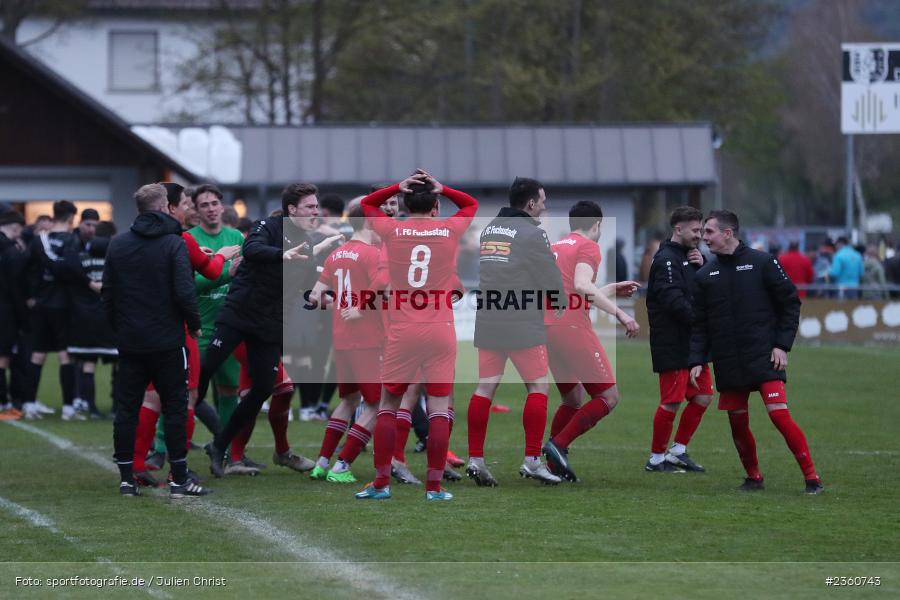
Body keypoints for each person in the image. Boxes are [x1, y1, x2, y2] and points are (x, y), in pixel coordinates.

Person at [354, 169, 477, 501]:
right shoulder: (449, 229)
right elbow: (470, 205)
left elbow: (368, 204)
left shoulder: (393, 230)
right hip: (440, 329)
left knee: (388, 406)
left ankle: (381, 484)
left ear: (405, 202)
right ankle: (434, 488)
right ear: (436, 204)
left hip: (402, 329)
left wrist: (396, 186)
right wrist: (445, 187)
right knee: (438, 408)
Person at [202, 183, 340, 478]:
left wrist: (324, 297)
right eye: (310, 207)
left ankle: (221, 446)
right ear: (292, 209)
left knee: (265, 388)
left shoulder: (305, 241)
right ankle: (173, 445)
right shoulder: (268, 225)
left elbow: (307, 285)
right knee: (203, 373)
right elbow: (251, 250)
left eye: (316, 207)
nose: (316, 212)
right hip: (239, 313)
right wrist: (283, 254)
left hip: (270, 324)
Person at [688, 210, 822, 495]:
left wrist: (781, 345)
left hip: (764, 356)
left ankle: (812, 478)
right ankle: (753, 477)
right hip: (728, 360)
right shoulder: (705, 275)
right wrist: (697, 358)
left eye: (709, 232)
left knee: (779, 415)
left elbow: (790, 304)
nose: (704, 238)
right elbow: (700, 325)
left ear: (727, 233)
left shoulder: (763, 262)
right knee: (737, 423)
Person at [103, 183, 208, 498]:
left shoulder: (118, 244)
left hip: (131, 341)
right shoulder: (173, 243)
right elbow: (184, 290)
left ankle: (126, 479)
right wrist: (194, 323)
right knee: (176, 408)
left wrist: (118, 328)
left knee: (127, 409)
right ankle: (178, 478)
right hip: (168, 341)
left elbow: (108, 294)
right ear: (165, 207)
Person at [466, 176, 565, 487]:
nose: (544, 206)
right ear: (531, 203)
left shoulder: (490, 228)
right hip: (522, 320)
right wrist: (559, 298)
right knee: (538, 389)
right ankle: (532, 461)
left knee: (485, 388)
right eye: (543, 201)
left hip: (489, 317)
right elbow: (548, 272)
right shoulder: (532, 233)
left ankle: (476, 458)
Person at [540, 201, 640, 482]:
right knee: (609, 396)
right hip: (571, 327)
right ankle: (558, 446)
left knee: (572, 398)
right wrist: (621, 314)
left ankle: (551, 465)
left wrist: (609, 291)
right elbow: (582, 286)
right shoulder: (588, 246)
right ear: (597, 225)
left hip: (547, 328)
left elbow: (573, 290)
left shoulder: (557, 247)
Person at [307, 205, 383, 483]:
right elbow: (382, 291)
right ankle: (342, 466)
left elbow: (314, 298)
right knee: (378, 403)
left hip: (341, 339)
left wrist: (342, 304)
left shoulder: (337, 254)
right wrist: (362, 308)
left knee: (349, 400)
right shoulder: (372, 254)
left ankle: (322, 462)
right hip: (368, 340)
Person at [644, 206, 712, 473]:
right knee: (672, 400)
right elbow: (673, 300)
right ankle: (655, 458)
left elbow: (701, 290)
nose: (700, 236)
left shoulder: (692, 257)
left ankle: (678, 451)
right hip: (672, 342)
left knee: (704, 396)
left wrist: (703, 267)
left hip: (693, 343)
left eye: (702, 230)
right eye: (696, 230)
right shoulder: (666, 260)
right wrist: (702, 320)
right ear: (678, 229)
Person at [22, 200, 83, 421]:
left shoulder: (39, 240)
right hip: (64, 304)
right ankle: (68, 407)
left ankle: (29, 404)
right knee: (65, 355)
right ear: (70, 219)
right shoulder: (71, 240)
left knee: (37, 354)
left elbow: (25, 268)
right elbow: (74, 268)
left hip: (41, 305)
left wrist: (30, 295)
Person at [0, 210, 27, 420]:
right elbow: (16, 288)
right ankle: (7, 402)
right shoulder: (11, 252)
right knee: (7, 357)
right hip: (7, 312)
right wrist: (23, 314)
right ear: (16, 227)